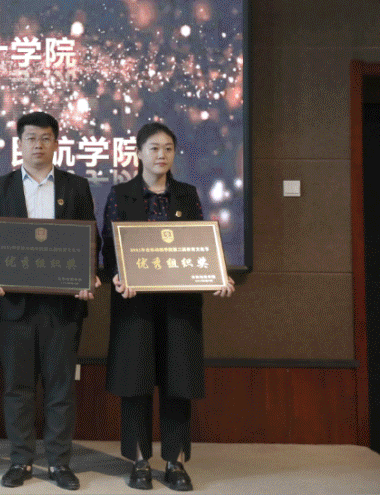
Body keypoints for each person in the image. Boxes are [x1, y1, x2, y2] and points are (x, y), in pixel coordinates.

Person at [101, 121, 235, 492]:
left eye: (168, 149)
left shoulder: (187, 194)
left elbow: (201, 244)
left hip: (180, 305)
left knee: (178, 382)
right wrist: (117, 275)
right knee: (136, 382)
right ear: (139, 153)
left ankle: (175, 462)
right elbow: (109, 245)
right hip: (135, 305)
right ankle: (140, 461)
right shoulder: (121, 194)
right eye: (154, 148)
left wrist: (218, 275)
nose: (161, 155)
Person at [0, 112, 99, 491]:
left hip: (63, 306)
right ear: (21, 144)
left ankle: (59, 464)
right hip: (14, 306)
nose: (38, 145)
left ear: (56, 143)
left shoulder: (76, 187)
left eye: (45, 138)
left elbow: (91, 239)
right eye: (31, 138)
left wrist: (88, 276)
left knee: (60, 389)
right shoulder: (0, 187)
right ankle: (21, 460)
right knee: (18, 387)